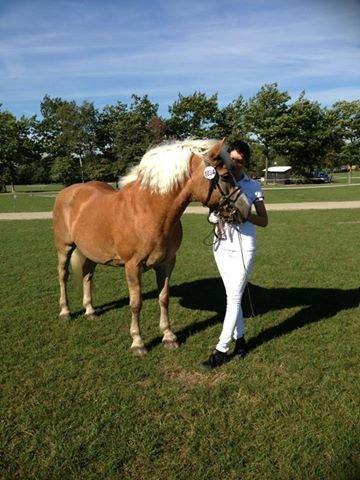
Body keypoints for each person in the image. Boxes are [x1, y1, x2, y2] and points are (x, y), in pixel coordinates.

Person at [202, 140, 268, 369]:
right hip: (221, 246)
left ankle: (221, 350)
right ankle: (240, 341)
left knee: (233, 297)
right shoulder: (220, 181)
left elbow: (264, 221)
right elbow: (211, 213)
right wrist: (215, 216)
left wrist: (245, 214)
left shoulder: (253, 186)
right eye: (233, 160)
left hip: (244, 246)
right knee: (233, 294)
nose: (236, 164)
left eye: (240, 161)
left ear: (246, 162)